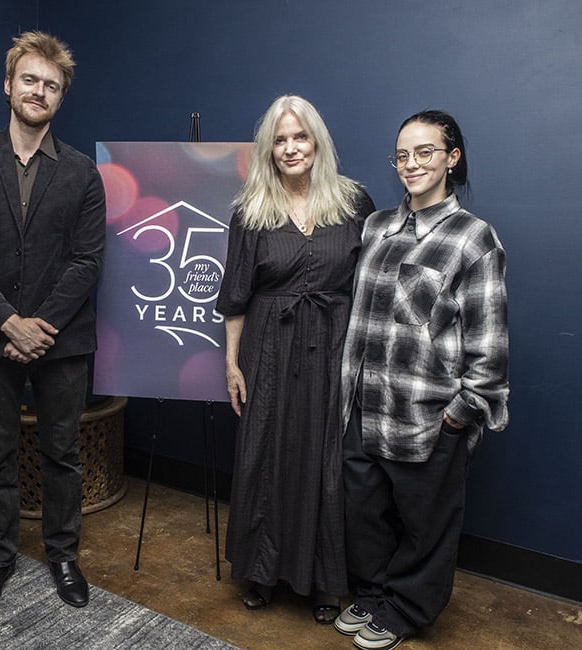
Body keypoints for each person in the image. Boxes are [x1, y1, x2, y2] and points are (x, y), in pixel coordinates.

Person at [0, 31, 106, 615]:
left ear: (61, 99)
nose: (40, 91)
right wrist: (10, 323)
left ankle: (64, 555)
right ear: (8, 85)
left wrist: (38, 328)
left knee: (63, 452)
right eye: (30, 80)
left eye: (52, 85)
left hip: (61, 342)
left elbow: (87, 260)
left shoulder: (84, 173)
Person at [334, 110, 509, 650]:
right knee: (363, 513)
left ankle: (407, 609)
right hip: (362, 407)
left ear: (451, 158)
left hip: (428, 416)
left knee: (424, 525)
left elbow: (489, 339)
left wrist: (463, 412)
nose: (412, 164)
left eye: (425, 152)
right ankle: (372, 592)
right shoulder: (376, 226)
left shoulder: (473, 239)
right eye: (403, 155)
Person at [216, 95, 375, 624]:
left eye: (300, 137)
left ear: (317, 142)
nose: (290, 148)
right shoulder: (249, 210)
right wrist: (233, 365)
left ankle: (326, 580)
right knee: (266, 456)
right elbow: (235, 296)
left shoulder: (354, 203)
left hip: (334, 348)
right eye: (280, 140)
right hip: (267, 348)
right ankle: (262, 572)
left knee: (326, 460)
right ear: (268, 148)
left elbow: (372, 286)